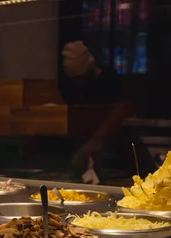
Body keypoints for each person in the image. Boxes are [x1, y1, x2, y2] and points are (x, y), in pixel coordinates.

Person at [60, 40, 156, 181]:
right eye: (75, 79)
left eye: (81, 77)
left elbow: (121, 111)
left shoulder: (110, 80)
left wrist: (95, 141)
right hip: (92, 151)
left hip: (122, 150)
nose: (78, 82)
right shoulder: (72, 88)